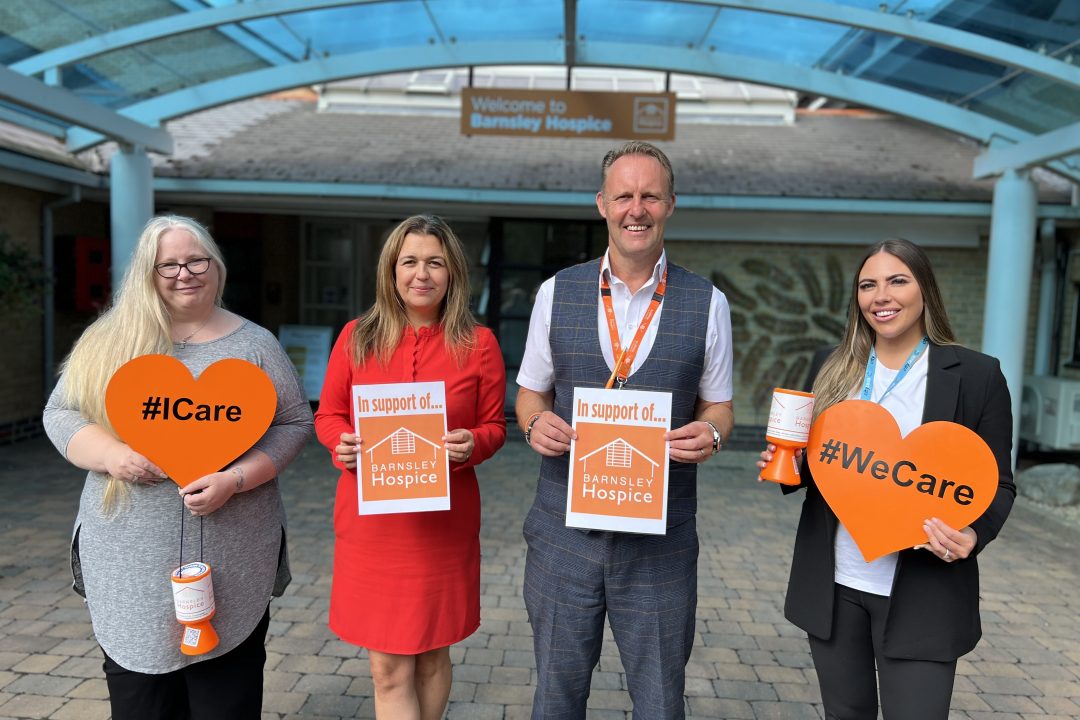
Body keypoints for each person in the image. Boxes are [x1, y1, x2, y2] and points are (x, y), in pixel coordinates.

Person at [43, 215, 313, 719]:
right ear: (147, 273)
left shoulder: (256, 345)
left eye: (196, 260)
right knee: (140, 701)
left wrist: (235, 479)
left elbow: (294, 422)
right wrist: (112, 456)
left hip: (235, 553)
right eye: (168, 264)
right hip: (130, 557)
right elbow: (61, 413)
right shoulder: (110, 339)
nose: (184, 273)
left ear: (216, 266)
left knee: (225, 698)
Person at [515, 141, 734, 719]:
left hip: (661, 542)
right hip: (564, 538)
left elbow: (719, 407)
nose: (636, 209)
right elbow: (529, 392)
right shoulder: (555, 292)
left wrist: (710, 436)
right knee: (556, 700)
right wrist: (535, 422)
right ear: (601, 204)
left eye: (650, 196)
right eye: (624, 196)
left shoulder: (708, 302)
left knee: (661, 703)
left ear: (670, 205)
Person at [758, 238, 1015, 719]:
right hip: (835, 586)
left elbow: (999, 484)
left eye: (898, 280)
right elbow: (818, 465)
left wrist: (973, 534)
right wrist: (786, 462)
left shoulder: (977, 376)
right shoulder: (831, 367)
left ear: (925, 291)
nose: (882, 296)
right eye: (868, 285)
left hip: (926, 592)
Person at [314, 214, 506, 719]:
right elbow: (328, 415)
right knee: (388, 667)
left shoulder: (479, 344)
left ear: (453, 273)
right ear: (391, 271)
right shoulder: (357, 336)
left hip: (444, 525)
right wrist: (342, 443)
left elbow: (495, 426)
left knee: (432, 654)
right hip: (372, 526)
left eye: (435, 262)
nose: (422, 274)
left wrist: (473, 445)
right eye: (410, 261)